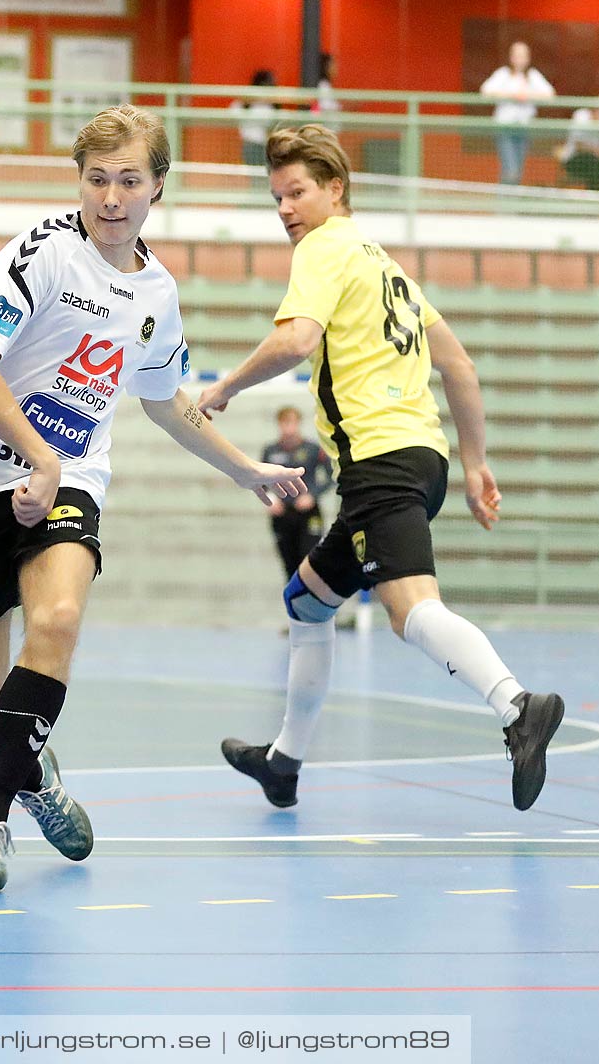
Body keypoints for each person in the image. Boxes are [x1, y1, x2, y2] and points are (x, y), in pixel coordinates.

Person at [0, 105, 308, 891]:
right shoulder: (43, 253)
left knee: (56, 619)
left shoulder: (157, 294)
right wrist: (35, 456)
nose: (110, 197)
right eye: (97, 178)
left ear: (157, 186)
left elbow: (166, 401)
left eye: (128, 180)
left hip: (70, 482)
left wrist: (243, 469)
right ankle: (36, 779)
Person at [196, 125, 564, 815]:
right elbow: (458, 366)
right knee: (305, 602)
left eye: (297, 192)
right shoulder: (384, 265)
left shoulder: (324, 247)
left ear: (335, 189)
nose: (285, 209)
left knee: (408, 609)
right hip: (422, 459)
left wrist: (225, 388)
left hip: (378, 459)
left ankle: (517, 706)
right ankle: (283, 763)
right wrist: (476, 462)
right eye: (276, 197)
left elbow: (295, 339)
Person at [263, 406, 332, 580]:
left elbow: (330, 477)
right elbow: (260, 479)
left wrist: (312, 495)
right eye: (284, 423)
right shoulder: (271, 451)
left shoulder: (312, 449)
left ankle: (314, 601)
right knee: (289, 565)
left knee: (310, 561)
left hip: (307, 513)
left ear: (298, 423)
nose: (289, 428)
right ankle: (294, 603)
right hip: (282, 514)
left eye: (292, 422)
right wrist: (270, 499)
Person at [478, 41, 554, 186]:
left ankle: (510, 205)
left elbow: (550, 94)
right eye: (517, 55)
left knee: (517, 169)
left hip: (524, 128)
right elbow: (485, 91)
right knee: (510, 169)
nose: (520, 59)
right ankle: (504, 206)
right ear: (511, 57)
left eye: (523, 55)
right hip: (504, 127)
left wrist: (528, 95)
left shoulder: (533, 76)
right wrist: (511, 95)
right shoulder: (503, 74)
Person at [231, 69, 278, 167]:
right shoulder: (245, 102)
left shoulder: (271, 105)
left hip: (266, 145)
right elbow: (233, 113)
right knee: (255, 176)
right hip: (250, 144)